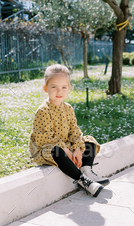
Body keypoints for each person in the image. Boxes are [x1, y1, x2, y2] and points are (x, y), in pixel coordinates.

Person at [29, 64, 109, 197]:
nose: (59, 91)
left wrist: (77, 148)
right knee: (56, 151)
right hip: (48, 148)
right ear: (45, 88)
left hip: (67, 145)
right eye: (54, 87)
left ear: (68, 88)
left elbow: (74, 130)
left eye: (63, 87)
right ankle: (82, 180)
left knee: (89, 141)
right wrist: (66, 150)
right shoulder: (43, 111)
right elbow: (45, 138)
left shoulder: (68, 108)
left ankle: (87, 170)